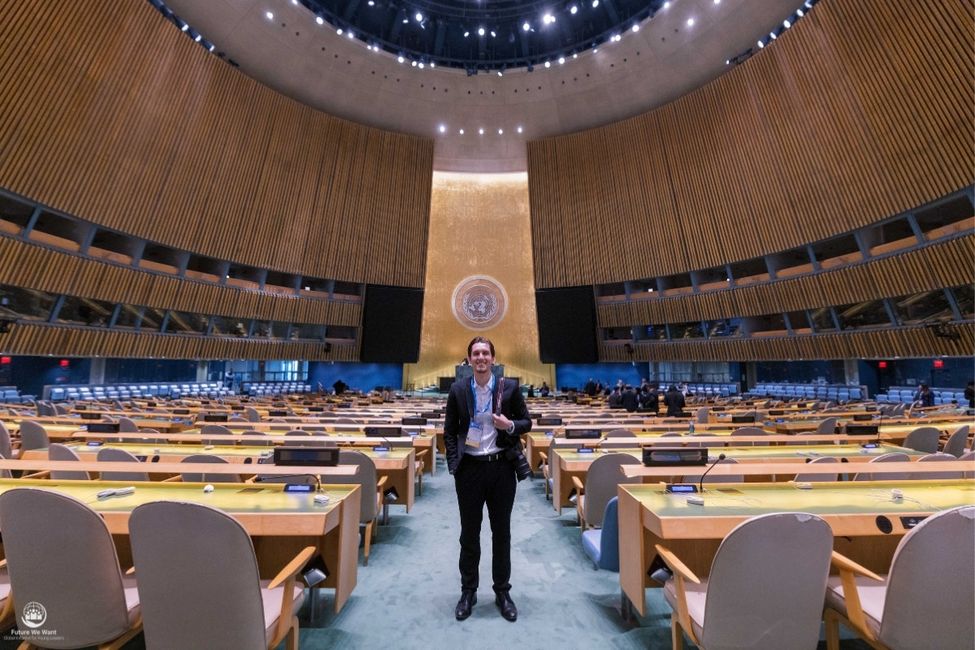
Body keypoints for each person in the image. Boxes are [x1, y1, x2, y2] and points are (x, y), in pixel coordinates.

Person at [444, 336, 531, 623]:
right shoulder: (458, 389)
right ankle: (468, 591)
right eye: (475, 353)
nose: (480, 358)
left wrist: (510, 426)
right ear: (468, 359)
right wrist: (455, 465)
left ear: (493, 358)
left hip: (501, 470)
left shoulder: (510, 389)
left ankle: (502, 592)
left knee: (501, 533)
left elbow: (527, 422)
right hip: (469, 469)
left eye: (485, 353)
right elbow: (449, 431)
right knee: (469, 534)